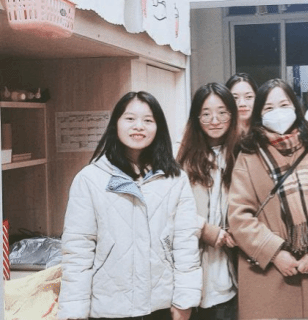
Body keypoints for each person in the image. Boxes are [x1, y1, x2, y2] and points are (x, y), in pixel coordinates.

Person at [58, 91, 201, 320]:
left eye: (148, 120)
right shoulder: (90, 179)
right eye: (130, 118)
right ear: (116, 124)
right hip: (108, 308)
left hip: (161, 305)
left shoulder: (175, 179)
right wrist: (74, 312)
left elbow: (186, 243)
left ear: (158, 127)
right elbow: (78, 251)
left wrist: (185, 300)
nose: (139, 126)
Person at [227, 79, 308, 319]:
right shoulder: (248, 155)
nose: (277, 112)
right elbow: (239, 216)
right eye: (269, 108)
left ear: (296, 108)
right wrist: (275, 253)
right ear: (259, 115)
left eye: (284, 105)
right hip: (266, 274)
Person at [177, 83, 240, 320]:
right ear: (196, 118)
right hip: (190, 275)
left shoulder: (243, 154)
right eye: (206, 114)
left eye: (222, 112)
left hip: (231, 275)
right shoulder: (181, 158)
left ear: (232, 115)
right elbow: (171, 210)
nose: (215, 120)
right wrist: (206, 230)